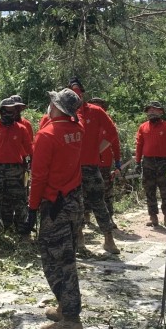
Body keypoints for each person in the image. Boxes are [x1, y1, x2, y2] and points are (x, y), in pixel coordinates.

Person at [28, 88, 85, 329]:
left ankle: (71, 318)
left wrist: (31, 208)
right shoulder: (78, 130)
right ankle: (65, 306)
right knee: (67, 254)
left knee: (56, 261)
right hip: (73, 200)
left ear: (55, 107)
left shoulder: (47, 135)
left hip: (55, 205)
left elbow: (39, 177)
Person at [67, 78, 120, 254]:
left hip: (86, 167)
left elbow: (112, 133)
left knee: (91, 203)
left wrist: (97, 150)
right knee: (83, 204)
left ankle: (107, 240)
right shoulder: (65, 113)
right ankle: (83, 240)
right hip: (73, 167)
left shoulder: (95, 112)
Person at [0, 97, 33, 236]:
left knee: (19, 201)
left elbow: (30, 149)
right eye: (6, 112)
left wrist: (33, 165)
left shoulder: (21, 129)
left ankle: (22, 231)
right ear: (1, 112)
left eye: (12, 112)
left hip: (16, 170)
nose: (9, 115)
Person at [135, 101, 166, 228]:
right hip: (148, 163)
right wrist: (138, 162)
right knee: (149, 191)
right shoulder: (143, 127)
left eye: (155, 110)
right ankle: (153, 218)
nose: (151, 112)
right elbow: (139, 145)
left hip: (163, 163)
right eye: (149, 110)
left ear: (161, 112)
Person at [90, 97, 122, 226]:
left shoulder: (108, 124)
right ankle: (86, 217)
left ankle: (109, 218)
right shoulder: (84, 122)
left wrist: (118, 162)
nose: (96, 109)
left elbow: (115, 144)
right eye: (94, 106)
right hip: (89, 163)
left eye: (99, 107)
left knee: (106, 192)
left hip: (105, 164)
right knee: (86, 192)